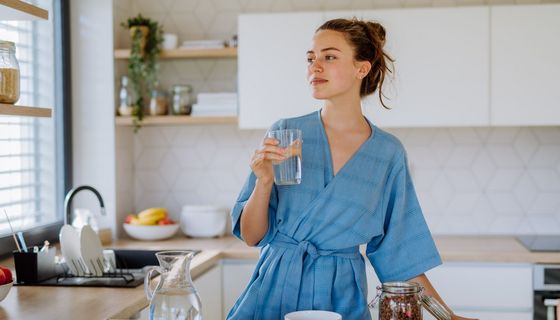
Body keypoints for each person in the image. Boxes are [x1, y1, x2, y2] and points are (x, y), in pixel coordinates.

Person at [228, 18, 476, 320]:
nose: (314, 67)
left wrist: (447, 317)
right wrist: (264, 181)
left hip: (340, 297)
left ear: (362, 68)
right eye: (311, 58)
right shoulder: (286, 133)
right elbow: (253, 236)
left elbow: (400, 258)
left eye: (329, 57)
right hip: (273, 291)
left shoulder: (387, 153)